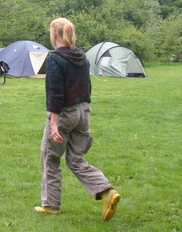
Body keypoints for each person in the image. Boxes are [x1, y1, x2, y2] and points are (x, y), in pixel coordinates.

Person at [35, 18, 121, 220]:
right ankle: (107, 191)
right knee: (76, 160)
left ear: (54, 34)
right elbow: (87, 86)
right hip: (83, 112)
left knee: (51, 158)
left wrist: (54, 123)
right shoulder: (81, 56)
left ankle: (51, 205)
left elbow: (55, 92)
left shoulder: (55, 58)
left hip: (65, 113)